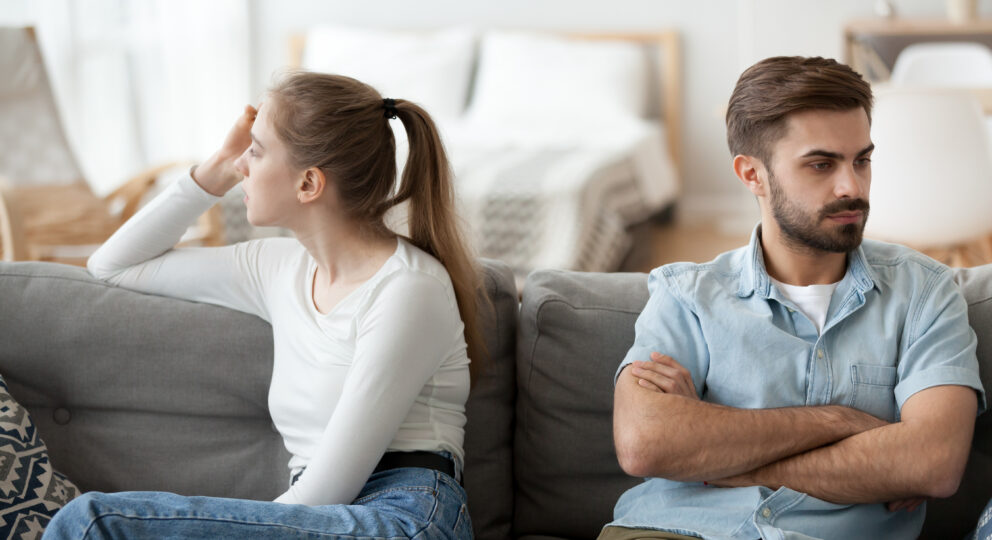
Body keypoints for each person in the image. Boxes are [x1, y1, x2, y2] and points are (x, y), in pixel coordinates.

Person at [43, 72, 483, 539]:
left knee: (91, 523)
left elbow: (328, 489)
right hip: (323, 519)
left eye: (254, 150)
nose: (242, 166)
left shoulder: (408, 291)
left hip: (402, 514)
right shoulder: (276, 268)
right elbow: (112, 265)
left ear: (309, 183)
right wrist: (214, 169)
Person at [601, 56, 986, 540]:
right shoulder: (685, 295)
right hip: (673, 530)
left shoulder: (926, 294)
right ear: (751, 175)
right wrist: (841, 421)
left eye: (861, 160)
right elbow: (645, 444)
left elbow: (931, 463)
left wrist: (724, 459)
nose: (852, 186)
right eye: (821, 164)